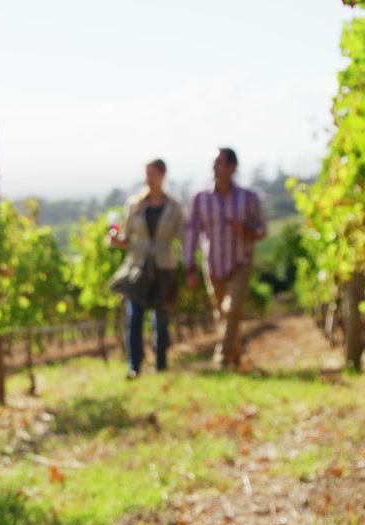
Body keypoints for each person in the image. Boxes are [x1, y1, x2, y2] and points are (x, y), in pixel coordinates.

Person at [183, 148, 266, 369]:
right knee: (223, 313)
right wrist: (189, 265)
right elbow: (192, 232)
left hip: (240, 262)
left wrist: (245, 231)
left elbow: (261, 230)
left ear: (232, 167)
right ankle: (237, 353)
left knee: (232, 309)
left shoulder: (248, 198)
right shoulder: (200, 199)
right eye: (213, 163)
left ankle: (223, 357)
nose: (214, 167)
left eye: (219, 163)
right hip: (213, 265)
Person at [110, 159, 185, 379]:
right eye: (146, 174)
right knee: (134, 316)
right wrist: (116, 240)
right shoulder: (134, 205)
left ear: (162, 175)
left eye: (151, 174)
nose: (148, 179)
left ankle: (161, 363)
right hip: (137, 267)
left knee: (160, 318)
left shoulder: (173, 207)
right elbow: (125, 238)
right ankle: (135, 366)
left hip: (163, 266)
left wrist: (188, 264)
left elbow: (183, 237)